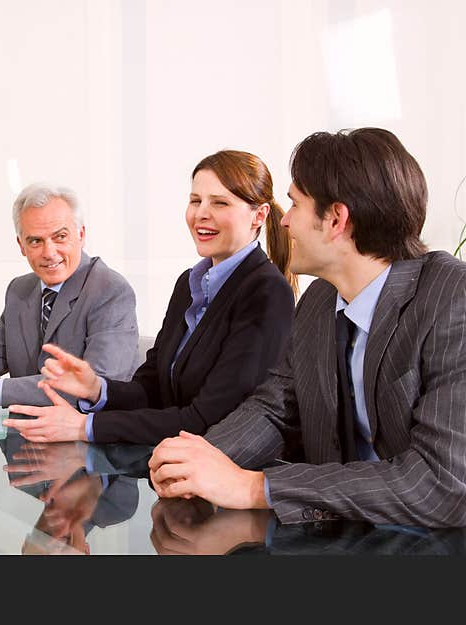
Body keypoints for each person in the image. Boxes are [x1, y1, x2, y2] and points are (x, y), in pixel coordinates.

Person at [148, 127, 466, 528]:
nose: (285, 223)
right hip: (341, 537)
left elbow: (442, 484)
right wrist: (199, 461)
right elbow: (274, 409)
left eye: (295, 205)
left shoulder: (454, 297)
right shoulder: (317, 302)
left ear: (336, 219)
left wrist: (254, 487)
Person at [4, 151, 297, 444]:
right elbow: (153, 387)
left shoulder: (266, 293)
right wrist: (96, 389)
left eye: (220, 202)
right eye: (195, 200)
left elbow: (206, 420)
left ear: (259, 215)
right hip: (170, 464)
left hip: (226, 474)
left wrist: (86, 426)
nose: (201, 213)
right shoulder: (189, 284)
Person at [0, 183, 139, 408]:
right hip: (24, 434)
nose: (49, 252)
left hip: (89, 435)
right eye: (35, 241)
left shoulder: (110, 290)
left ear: (81, 235)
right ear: (21, 245)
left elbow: (96, 386)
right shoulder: (19, 290)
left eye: (60, 236)